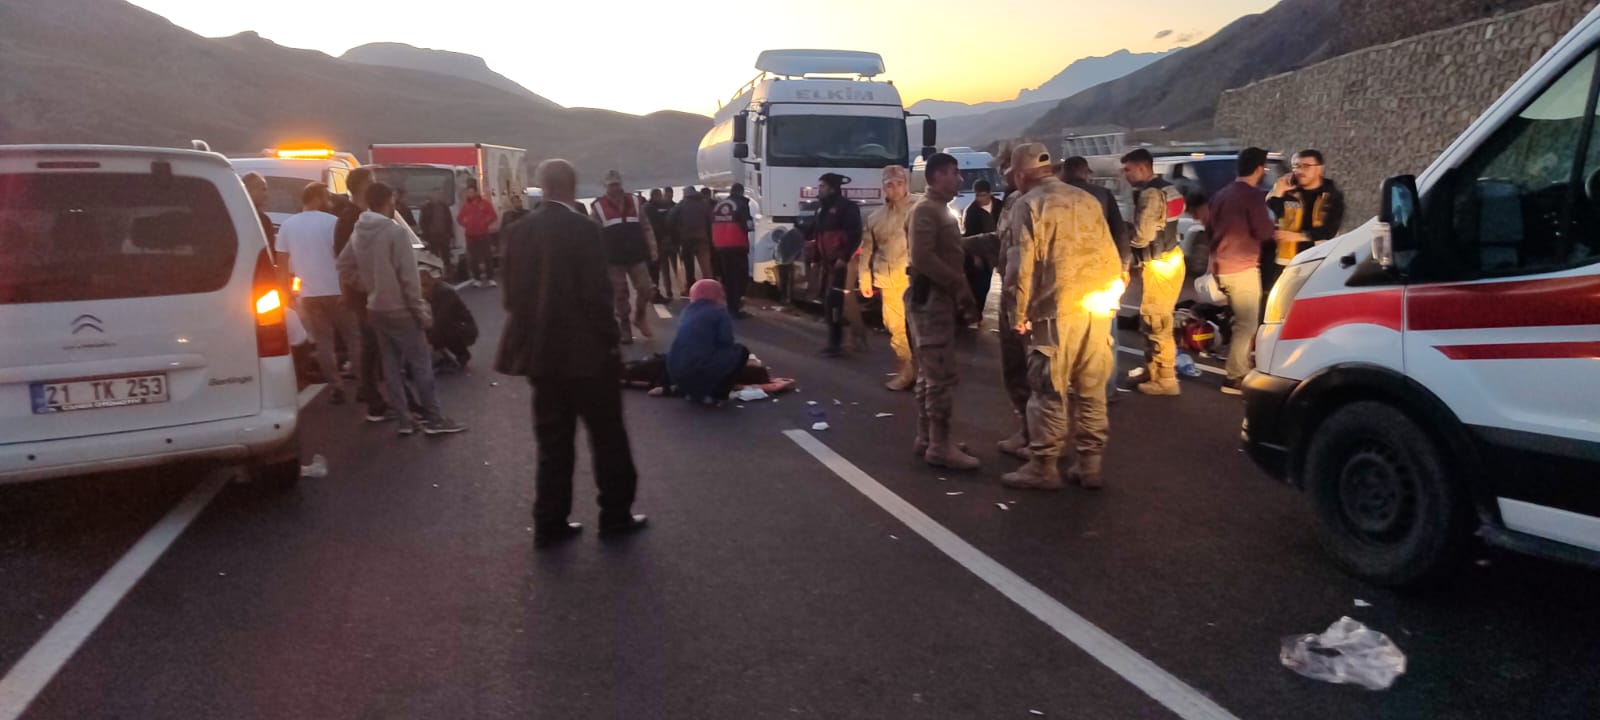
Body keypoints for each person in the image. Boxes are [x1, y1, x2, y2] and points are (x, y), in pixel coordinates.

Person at [496, 159, 646, 548]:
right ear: (571, 186)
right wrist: (610, 341)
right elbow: (597, 296)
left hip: (541, 355)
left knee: (552, 442)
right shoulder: (585, 230)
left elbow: (511, 297)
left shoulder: (517, 232)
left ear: (542, 187)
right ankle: (615, 515)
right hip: (588, 355)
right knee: (608, 438)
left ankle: (550, 522)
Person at [1000, 144, 1122, 490]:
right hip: (1095, 309)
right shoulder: (1086, 199)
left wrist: (1018, 314)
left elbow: (1020, 267)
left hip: (1054, 312)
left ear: (1021, 175)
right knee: (1091, 388)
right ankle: (1090, 464)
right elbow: (1110, 254)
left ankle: (1043, 466)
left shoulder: (1029, 205)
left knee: (1048, 389)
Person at [336, 182, 466, 436]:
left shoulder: (359, 230)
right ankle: (434, 419)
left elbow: (343, 265)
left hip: (375, 307)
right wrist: (421, 312)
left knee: (391, 365)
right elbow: (409, 280)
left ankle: (405, 419)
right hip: (401, 308)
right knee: (421, 363)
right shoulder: (395, 233)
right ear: (389, 201)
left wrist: (367, 284)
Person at [908, 154, 982, 470]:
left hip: (936, 300)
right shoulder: (926, 209)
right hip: (932, 301)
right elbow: (923, 257)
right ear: (937, 175)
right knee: (939, 374)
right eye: (954, 173)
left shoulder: (938, 209)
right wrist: (958, 285)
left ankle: (928, 437)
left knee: (928, 373)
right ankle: (940, 446)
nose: (959, 179)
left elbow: (946, 248)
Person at [277, 182, 362, 405]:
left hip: (308, 294)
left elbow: (282, 262)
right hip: (337, 290)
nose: (330, 202)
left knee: (324, 341)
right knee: (353, 337)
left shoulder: (288, 225)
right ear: (315, 197)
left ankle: (336, 387)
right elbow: (345, 255)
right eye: (326, 197)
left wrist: (284, 292)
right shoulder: (332, 222)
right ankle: (364, 385)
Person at [1205, 148, 1277, 395]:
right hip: (1242, 267)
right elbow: (1263, 232)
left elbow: (1209, 229)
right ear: (1259, 169)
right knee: (1246, 324)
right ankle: (1234, 376)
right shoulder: (1252, 196)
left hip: (1221, 265)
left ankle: (1236, 364)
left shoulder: (1220, 195)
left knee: (1237, 320)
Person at [1062, 156, 1132, 405]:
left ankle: (1073, 384)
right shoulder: (1102, 195)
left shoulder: (1054, 197)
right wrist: (1124, 268)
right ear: (1086, 173)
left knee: (1069, 335)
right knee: (1105, 336)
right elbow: (1120, 233)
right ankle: (1107, 386)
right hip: (1103, 275)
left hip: (1067, 278)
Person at [1120, 148, 1187, 397]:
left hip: (1160, 263)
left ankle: (1166, 378)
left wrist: (1125, 234)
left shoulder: (1149, 194)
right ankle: (1153, 371)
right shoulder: (1168, 188)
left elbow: (1142, 236)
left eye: (1127, 169)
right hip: (1170, 258)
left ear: (1142, 167)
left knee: (1156, 320)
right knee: (1154, 317)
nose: (1124, 174)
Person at [334, 167, 390, 421]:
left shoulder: (362, 216)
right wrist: (361, 286)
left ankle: (370, 392)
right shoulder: (350, 219)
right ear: (362, 187)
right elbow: (344, 261)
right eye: (372, 182)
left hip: (368, 292)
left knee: (374, 345)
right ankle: (372, 398)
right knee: (371, 344)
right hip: (364, 294)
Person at [859, 165, 918, 390]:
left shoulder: (919, 209)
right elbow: (867, 250)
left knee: (921, 328)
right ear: (883, 188)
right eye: (890, 184)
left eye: (900, 183)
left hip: (916, 279)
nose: (895, 188)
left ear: (907, 184)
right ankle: (906, 370)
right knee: (895, 327)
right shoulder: (875, 217)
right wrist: (865, 278)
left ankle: (926, 374)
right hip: (889, 281)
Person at [591, 170, 660, 344]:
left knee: (646, 288)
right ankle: (624, 325)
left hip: (636, 254)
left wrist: (653, 248)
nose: (615, 188)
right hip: (613, 258)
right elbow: (594, 234)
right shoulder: (598, 207)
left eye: (617, 184)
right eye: (611, 185)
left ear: (621, 184)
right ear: (605, 186)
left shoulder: (636, 202)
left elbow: (646, 227)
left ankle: (640, 316)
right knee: (619, 293)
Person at [1265, 149, 1345, 295]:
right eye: (1296, 166)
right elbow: (1273, 213)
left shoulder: (1331, 195)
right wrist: (1278, 192)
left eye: (1305, 166)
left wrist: (1296, 236)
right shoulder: (1289, 192)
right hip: (1287, 262)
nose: (1299, 171)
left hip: (1318, 262)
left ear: (1320, 168)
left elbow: (1329, 230)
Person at [667, 280, 752, 404]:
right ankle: (718, 394)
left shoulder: (687, 311)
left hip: (675, 372)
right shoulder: (719, 312)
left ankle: (690, 391)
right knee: (741, 351)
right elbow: (726, 341)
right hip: (700, 370)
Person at [810, 172, 863, 357]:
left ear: (832, 188)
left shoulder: (847, 208)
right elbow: (818, 235)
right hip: (827, 264)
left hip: (840, 264)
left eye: (823, 186)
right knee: (828, 303)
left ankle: (837, 342)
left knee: (834, 303)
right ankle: (835, 341)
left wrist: (844, 256)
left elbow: (853, 234)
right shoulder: (822, 209)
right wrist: (815, 258)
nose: (820, 189)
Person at [962, 179, 1004, 326]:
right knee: (981, 285)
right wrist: (975, 256)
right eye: (978, 195)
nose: (980, 199)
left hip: (1000, 249)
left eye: (983, 195)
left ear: (990, 193)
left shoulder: (1000, 206)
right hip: (982, 253)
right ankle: (976, 314)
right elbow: (969, 236)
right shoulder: (972, 211)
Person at [421, 266, 478, 371]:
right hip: (453, 324)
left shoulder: (445, 292)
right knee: (428, 328)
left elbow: (441, 318)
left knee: (443, 327)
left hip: (464, 327)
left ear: (432, 281)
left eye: (425, 285)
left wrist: (429, 341)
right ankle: (446, 356)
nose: (423, 290)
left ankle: (462, 355)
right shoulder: (432, 292)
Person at [710, 183, 753, 316]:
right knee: (739, 277)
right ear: (741, 192)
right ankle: (735, 307)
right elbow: (748, 225)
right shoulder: (741, 204)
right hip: (737, 243)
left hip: (721, 245)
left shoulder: (720, 205)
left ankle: (730, 305)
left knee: (728, 277)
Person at [667, 185, 715, 289]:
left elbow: (670, 218)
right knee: (706, 266)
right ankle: (710, 288)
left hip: (686, 240)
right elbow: (711, 221)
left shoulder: (681, 204)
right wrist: (710, 238)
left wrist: (676, 235)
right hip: (702, 238)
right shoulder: (703, 204)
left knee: (689, 266)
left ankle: (691, 287)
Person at [457, 183, 499, 288]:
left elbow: (493, 215)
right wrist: (466, 223)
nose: (469, 194)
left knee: (487, 256)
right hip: (470, 235)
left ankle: (490, 278)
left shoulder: (485, 204)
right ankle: (477, 278)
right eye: (468, 192)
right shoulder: (466, 206)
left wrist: (485, 222)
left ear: (476, 192)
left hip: (483, 234)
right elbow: (459, 218)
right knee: (474, 258)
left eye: (471, 192)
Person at [645, 188, 676, 302]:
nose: (661, 197)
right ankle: (662, 291)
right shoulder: (650, 208)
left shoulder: (650, 207)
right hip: (658, 242)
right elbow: (652, 226)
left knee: (666, 268)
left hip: (664, 241)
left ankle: (667, 291)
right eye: (659, 195)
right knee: (661, 269)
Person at [419, 188, 456, 273]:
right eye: (435, 193)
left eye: (439, 194)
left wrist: (450, 234)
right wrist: (425, 234)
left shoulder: (444, 206)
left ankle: (448, 274)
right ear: (431, 195)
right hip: (432, 236)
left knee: (446, 256)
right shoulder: (426, 207)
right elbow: (422, 222)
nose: (437, 195)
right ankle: (435, 274)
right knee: (433, 257)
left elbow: (449, 221)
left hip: (444, 235)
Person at [241, 172, 277, 253]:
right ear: (249, 190)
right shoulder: (262, 220)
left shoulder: (232, 215)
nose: (266, 195)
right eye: (263, 189)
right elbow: (269, 253)